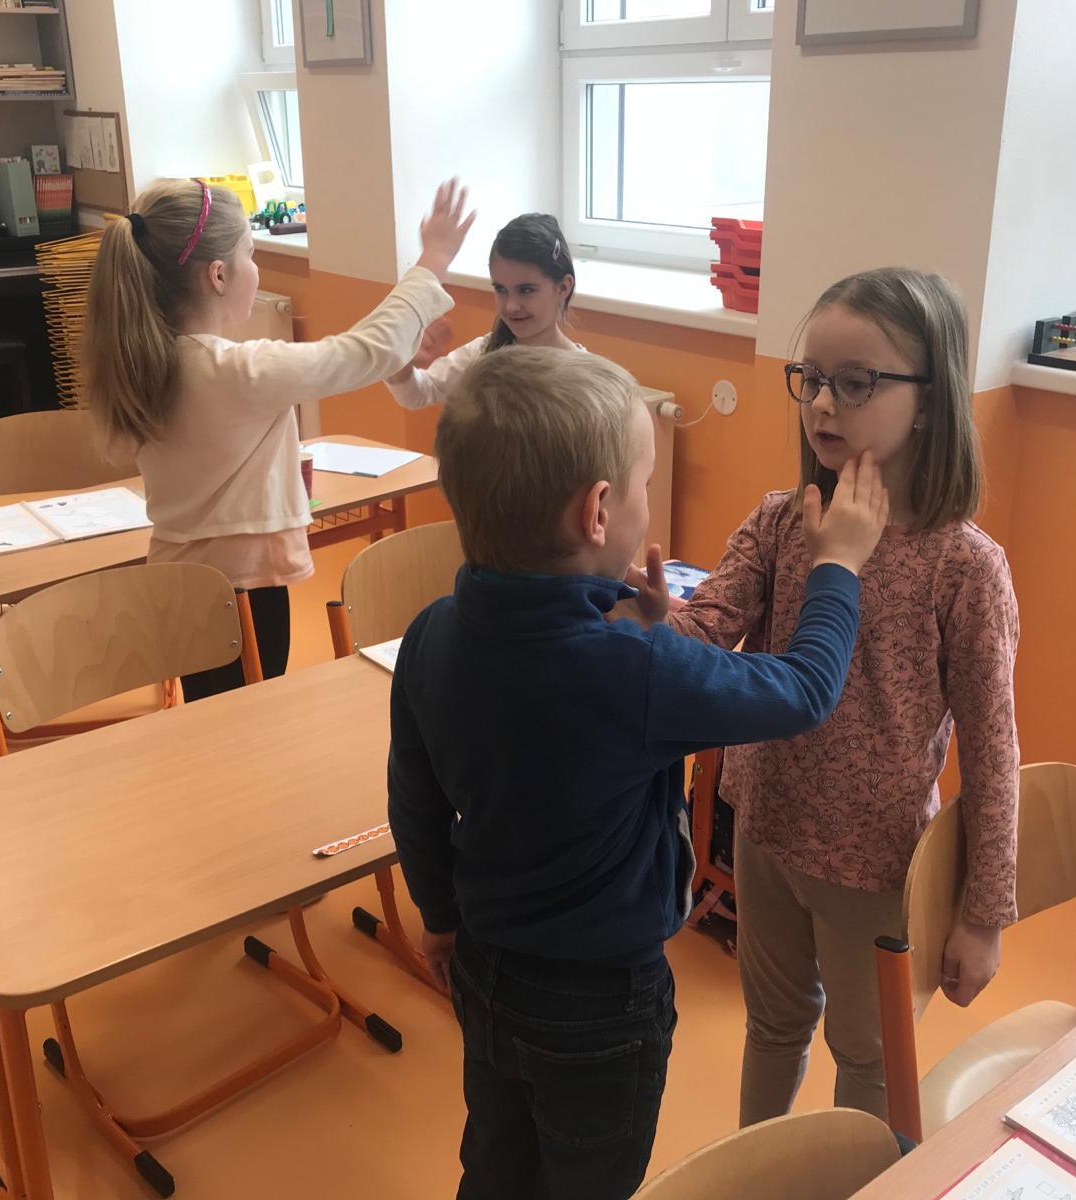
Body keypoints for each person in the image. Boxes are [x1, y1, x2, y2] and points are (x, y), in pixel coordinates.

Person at [387, 345, 889, 1200]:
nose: (648, 502)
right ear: (598, 512)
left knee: (497, 1162)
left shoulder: (432, 631)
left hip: (484, 964)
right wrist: (837, 564)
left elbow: (415, 797)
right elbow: (804, 690)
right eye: (645, 484)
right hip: (600, 1005)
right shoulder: (635, 673)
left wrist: (436, 917)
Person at [653, 267, 1021, 1126]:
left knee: (868, 1057)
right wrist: (645, 619)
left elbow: (993, 749)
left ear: (928, 400)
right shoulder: (782, 520)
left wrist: (984, 912)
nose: (822, 403)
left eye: (855, 383)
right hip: (767, 828)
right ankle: (758, 1174)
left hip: (874, 861)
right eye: (812, 378)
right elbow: (705, 630)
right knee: (774, 1025)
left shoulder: (964, 567)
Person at [83, 178, 474, 699]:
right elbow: (363, 350)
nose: (256, 268)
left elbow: (369, 351)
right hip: (242, 589)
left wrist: (400, 347)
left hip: (183, 582)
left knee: (215, 716)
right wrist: (435, 258)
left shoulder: (160, 359)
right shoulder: (232, 371)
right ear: (218, 275)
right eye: (250, 253)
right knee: (247, 721)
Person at [385, 212, 581, 411]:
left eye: (526, 290)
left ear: (563, 288)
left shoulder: (584, 375)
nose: (511, 306)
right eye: (501, 289)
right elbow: (418, 393)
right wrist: (403, 357)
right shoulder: (483, 351)